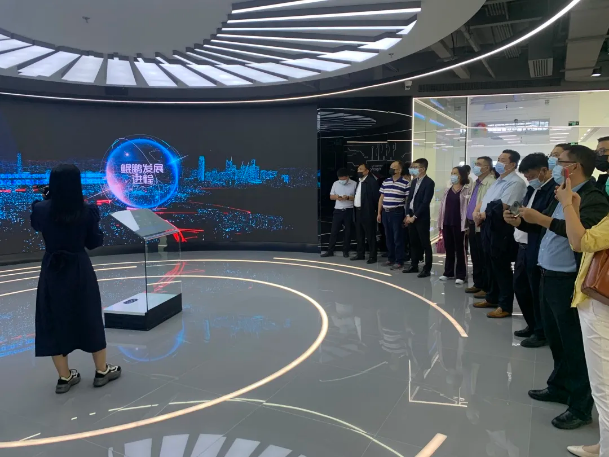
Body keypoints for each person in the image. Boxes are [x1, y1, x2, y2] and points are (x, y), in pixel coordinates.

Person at [520, 145, 609, 430]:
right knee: (556, 337)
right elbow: (548, 226)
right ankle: (559, 386)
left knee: (574, 344)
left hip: (569, 278)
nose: (555, 166)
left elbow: (581, 236)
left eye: (560, 162)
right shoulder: (561, 192)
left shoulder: (592, 197)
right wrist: (523, 220)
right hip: (548, 273)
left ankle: (580, 406)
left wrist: (542, 219)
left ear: (574, 167)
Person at [30, 164, 121, 394]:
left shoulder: (40, 209)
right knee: (89, 315)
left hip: (52, 269)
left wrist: (46, 199)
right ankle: (101, 371)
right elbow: (94, 243)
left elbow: (37, 224)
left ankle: (64, 377)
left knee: (53, 318)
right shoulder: (87, 210)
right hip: (79, 268)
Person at [558, 178, 609, 457]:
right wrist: (574, 209)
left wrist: (566, 205)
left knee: (603, 388)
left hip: (601, 306)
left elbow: (580, 242)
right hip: (600, 305)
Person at [503, 153, 555, 347]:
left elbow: (544, 222)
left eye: (531, 175)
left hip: (537, 246)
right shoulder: (533, 189)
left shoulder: (552, 191)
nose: (528, 179)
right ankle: (532, 324)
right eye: (526, 175)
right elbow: (523, 210)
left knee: (536, 291)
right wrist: (513, 216)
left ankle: (541, 332)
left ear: (543, 170)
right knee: (521, 287)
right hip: (523, 245)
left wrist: (523, 222)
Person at [473, 150, 527, 318]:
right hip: (488, 226)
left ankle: (504, 305)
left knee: (501, 267)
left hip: (501, 228)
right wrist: (477, 213)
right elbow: (485, 201)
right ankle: (492, 297)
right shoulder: (498, 180)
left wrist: (482, 215)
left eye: (503, 160)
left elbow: (504, 205)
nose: (499, 162)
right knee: (490, 265)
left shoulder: (516, 183)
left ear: (512, 164)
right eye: (498, 159)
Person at [464, 157, 496, 295]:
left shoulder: (491, 183)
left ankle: (486, 287)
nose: (475, 166)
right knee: (475, 255)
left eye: (478, 164)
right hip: (472, 223)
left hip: (482, 224)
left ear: (487, 168)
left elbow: (488, 204)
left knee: (484, 257)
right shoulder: (476, 182)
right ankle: (478, 283)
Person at [437, 166, 470, 285]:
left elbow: (467, 208)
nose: (453, 175)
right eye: (452, 173)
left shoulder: (467, 190)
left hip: (460, 224)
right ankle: (448, 272)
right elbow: (442, 207)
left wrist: (467, 225)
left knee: (460, 250)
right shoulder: (447, 189)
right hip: (447, 222)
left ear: (461, 175)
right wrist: (440, 223)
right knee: (449, 249)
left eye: (455, 173)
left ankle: (461, 274)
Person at [404, 158, 435, 278]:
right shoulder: (413, 182)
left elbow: (425, 202)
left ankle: (427, 269)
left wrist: (415, 216)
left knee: (425, 243)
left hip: (421, 217)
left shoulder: (429, 182)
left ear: (422, 169)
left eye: (415, 167)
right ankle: (414, 265)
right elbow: (409, 199)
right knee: (413, 242)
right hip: (411, 215)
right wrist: (408, 215)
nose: (412, 169)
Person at [377, 161, 409, 270]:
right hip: (385, 212)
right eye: (391, 167)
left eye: (394, 168)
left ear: (399, 170)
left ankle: (399, 260)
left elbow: (407, 201)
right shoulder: (386, 181)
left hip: (397, 213)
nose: (391, 170)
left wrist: (407, 215)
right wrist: (379, 213)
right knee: (388, 237)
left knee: (398, 237)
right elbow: (381, 198)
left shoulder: (405, 183)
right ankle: (391, 258)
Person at [322, 168, 357, 258]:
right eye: (340, 179)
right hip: (337, 210)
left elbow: (357, 198)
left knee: (348, 232)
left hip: (348, 210)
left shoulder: (354, 184)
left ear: (348, 177)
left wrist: (348, 197)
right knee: (334, 231)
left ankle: (346, 251)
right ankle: (330, 251)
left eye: (343, 179)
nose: (342, 181)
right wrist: (337, 197)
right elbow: (331, 196)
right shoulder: (335, 183)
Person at [352, 163, 380, 264]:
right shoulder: (359, 181)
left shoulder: (372, 182)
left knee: (370, 235)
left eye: (361, 169)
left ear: (367, 171)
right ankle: (360, 254)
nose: (359, 171)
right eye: (358, 169)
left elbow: (376, 198)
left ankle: (373, 256)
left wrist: (373, 211)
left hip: (368, 212)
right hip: (357, 211)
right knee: (359, 234)